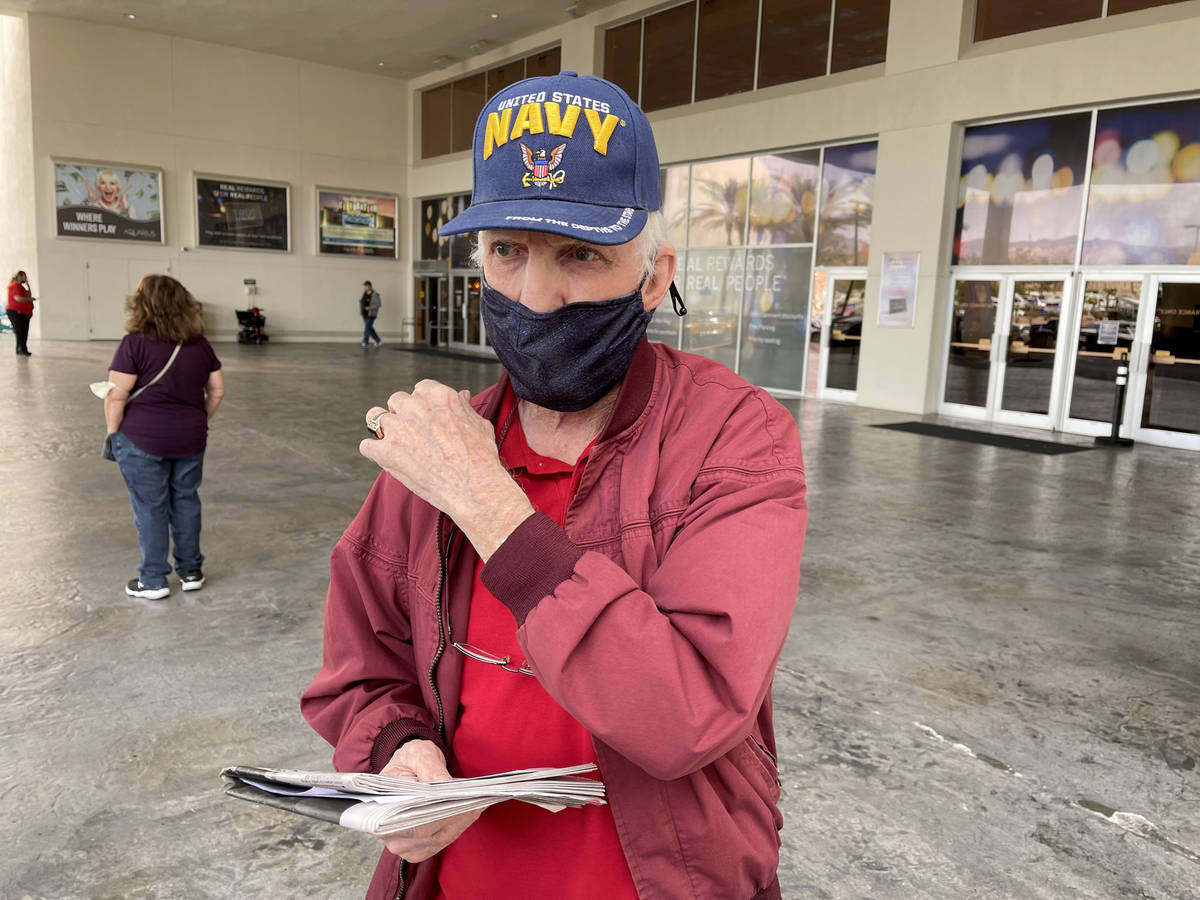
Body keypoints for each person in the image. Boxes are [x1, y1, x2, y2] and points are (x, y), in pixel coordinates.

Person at [302, 71, 807, 900]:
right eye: (508, 251)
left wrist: (491, 507)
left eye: (580, 253)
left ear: (653, 276)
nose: (536, 296)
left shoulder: (733, 436)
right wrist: (395, 746)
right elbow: (360, 662)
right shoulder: (444, 443)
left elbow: (689, 713)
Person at [104, 274, 225, 600]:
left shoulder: (134, 343)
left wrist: (113, 434)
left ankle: (154, 579)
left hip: (142, 439)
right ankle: (191, 571)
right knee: (186, 499)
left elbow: (116, 395)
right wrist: (197, 419)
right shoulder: (200, 345)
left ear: (143, 304)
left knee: (151, 507)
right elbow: (217, 391)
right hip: (190, 439)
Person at [6, 270, 36, 356]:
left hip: (23, 312)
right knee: (21, 331)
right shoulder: (16, 286)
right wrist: (30, 299)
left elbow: (28, 294)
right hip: (16, 312)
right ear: (20, 276)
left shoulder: (20, 287)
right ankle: (21, 349)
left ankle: (21, 349)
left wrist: (28, 285)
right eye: (24, 276)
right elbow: (18, 298)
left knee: (22, 331)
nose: (26, 277)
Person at [360, 280, 382, 348]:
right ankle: (378, 340)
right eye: (364, 286)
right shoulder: (365, 293)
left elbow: (378, 304)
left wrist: (370, 308)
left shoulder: (375, 294)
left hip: (371, 314)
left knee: (367, 329)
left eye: (366, 286)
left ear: (369, 286)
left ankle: (365, 342)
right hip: (364, 314)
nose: (365, 287)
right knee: (369, 328)